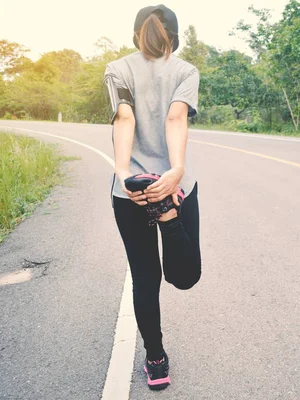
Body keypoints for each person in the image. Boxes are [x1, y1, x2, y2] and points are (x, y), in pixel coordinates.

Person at [103, 4, 201, 391]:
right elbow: (177, 117)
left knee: (146, 277)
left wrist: (124, 173)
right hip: (176, 186)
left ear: (135, 34)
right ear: (174, 37)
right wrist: (174, 172)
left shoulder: (117, 68)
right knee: (184, 276)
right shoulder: (186, 71)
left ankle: (155, 360)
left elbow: (123, 118)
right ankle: (168, 215)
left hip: (132, 192)